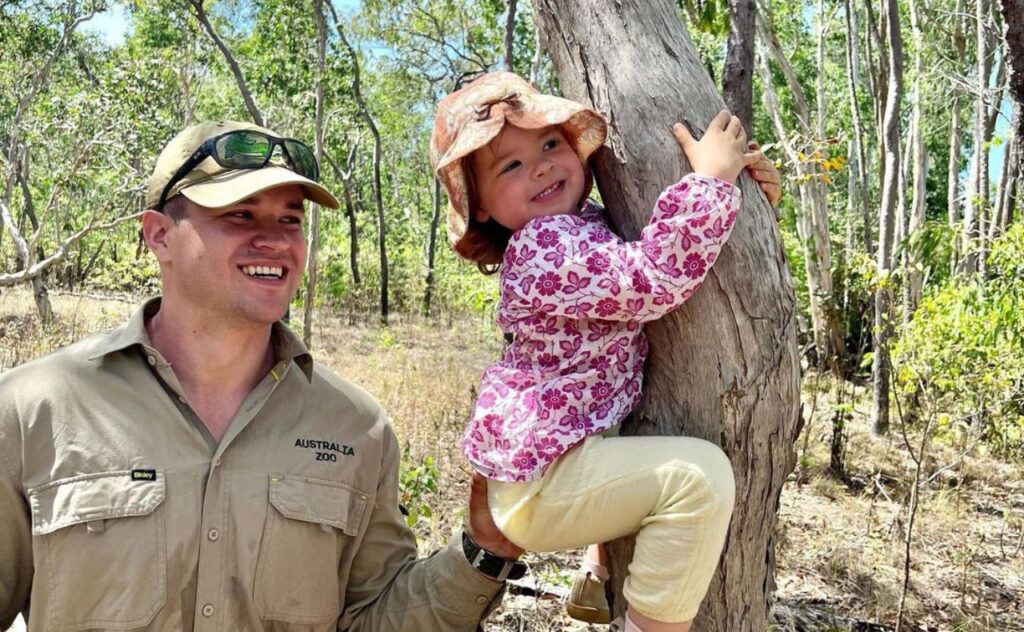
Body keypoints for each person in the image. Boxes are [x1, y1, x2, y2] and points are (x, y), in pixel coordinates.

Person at [0, 120, 525, 632]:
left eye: (290, 220)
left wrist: (485, 551)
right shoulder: (32, 409)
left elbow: (372, 616)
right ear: (159, 236)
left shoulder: (355, 428)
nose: (273, 240)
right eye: (239, 214)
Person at [430, 72, 780, 632]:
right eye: (510, 166)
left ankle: (597, 570)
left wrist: (745, 198)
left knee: (625, 429)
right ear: (484, 209)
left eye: (549, 143)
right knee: (699, 478)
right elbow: (654, 275)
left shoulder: (585, 225)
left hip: (563, 462)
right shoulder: (545, 248)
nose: (541, 166)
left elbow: (652, 243)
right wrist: (711, 182)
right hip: (543, 487)